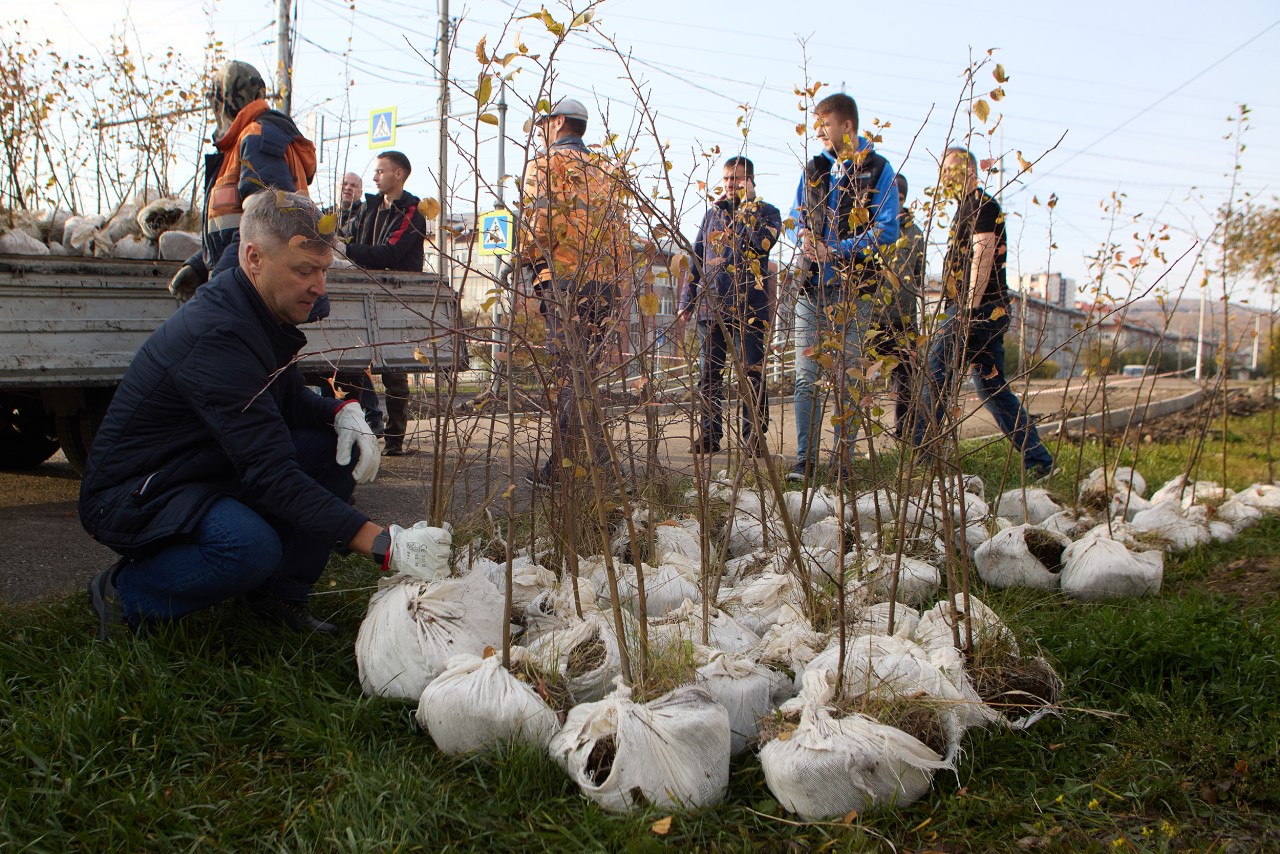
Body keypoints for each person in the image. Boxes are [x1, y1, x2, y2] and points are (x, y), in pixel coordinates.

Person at [81, 191, 443, 639]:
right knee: (246, 548)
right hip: (137, 492)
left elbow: (288, 404)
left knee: (335, 451)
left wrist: (341, 411)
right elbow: (272, 475)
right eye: (303, 271)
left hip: (203, 466)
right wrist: (384, 544)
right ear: (253, 257)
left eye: (324, 270)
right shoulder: (218, 335)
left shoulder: (258, 311)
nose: (319, 287)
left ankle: (277, 597)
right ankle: (126, 594)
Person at [913, 147, 1053, 479]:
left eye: (950, 170)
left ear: (969, 170)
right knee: (991, 387)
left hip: (978, 310)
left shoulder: (982, 205)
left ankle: (922, 462)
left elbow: (983, 255)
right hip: (982, 311)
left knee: (934, 373)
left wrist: (966, 311)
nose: (944, 177)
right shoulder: (965, 208)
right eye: (942, 171)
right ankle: (1040, 462)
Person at [515, 97, 632, 490]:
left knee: (568, 374)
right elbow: (619, 234)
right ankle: (597, 462)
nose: (540, 131)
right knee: (585, 375)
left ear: (559, 121)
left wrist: (521, 259)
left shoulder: (545, 164)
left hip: (562, 281)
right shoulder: (606, 169)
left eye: (544, 123)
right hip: (603, 285)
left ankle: (567, 468)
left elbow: (536, 225)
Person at [789, 92, 899, 482]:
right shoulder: (814, 167)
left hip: (855, 289)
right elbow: (795, 216)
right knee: (805, 376)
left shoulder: (878, 168)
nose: (819, 132)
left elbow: (887, 229)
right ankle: (804, 461)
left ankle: (843, 463)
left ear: (846, 126)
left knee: (848, 374)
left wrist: (836, 249)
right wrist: (802, 237)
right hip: (811, 287)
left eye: (824, 125)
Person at [168, 61, 317, 301]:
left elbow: (265, 225)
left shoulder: (256, 138)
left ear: (223, 101)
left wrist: (220, 284)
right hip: (251, 285)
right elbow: (238, 225)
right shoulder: (246, 141)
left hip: (253, 292)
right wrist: (199, 265)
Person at [678, 156, 781, 456]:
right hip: (712, 308)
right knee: (709, 375)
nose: (730, 184)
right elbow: (697, 255)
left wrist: (747, 208)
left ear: (750, 181)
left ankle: (754, 438)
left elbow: (760, 244)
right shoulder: (713, 214)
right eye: (726, 179)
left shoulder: (767, 213)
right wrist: (688, 300)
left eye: (736, 179)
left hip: (750, 309)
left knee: (752, 374)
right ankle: (709, 435)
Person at [343, 151, 427, 456]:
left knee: (395, 369)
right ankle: (360, 434)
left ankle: (394, 440)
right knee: (353, 367)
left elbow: (390, 253)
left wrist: (348, 250)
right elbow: (352, 238)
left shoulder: (412, 213)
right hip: (362, 293)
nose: (376, 176)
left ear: (399, 174)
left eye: (381, 171)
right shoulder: (369, 208)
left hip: (396, 297)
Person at [880, 172, 925, 438]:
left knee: (906, 379)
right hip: (871, 318)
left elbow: (918, 277)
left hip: (904, 320)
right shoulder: (872, 230)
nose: (894, 205)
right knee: (857, 376)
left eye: (898, 199)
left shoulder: (915, 235)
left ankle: (903, 433)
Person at [336, 171, 365, 238]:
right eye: (344, 184)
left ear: (360, 193)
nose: (348, 188)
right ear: (336, 188)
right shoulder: (324, 214)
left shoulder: (365, 215)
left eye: (353, 186)